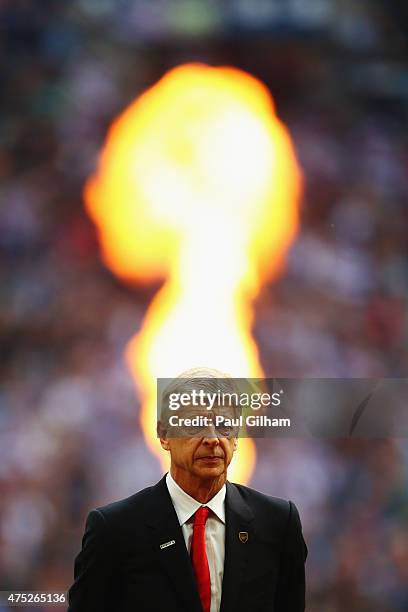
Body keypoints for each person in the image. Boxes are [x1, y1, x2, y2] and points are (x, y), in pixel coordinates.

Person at [67, 369, 307, 611]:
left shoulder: (277, 522)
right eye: (195, 425)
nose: (212, 439)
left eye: (224, 425)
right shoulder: (114, 529)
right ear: (164, 435)